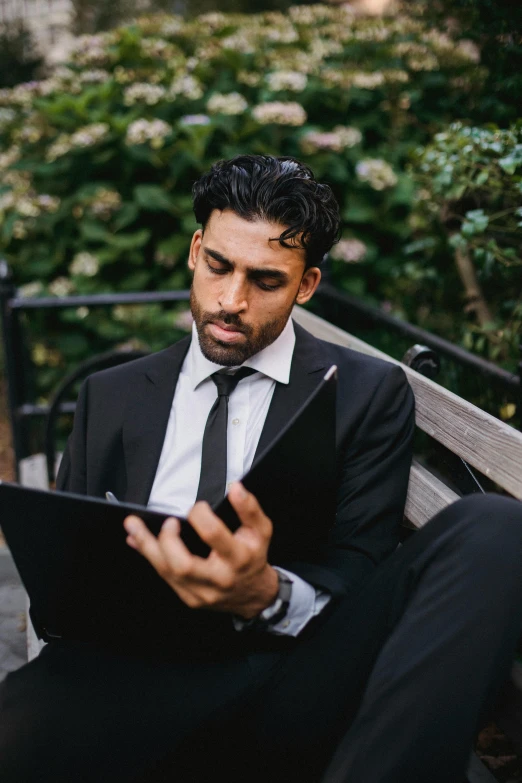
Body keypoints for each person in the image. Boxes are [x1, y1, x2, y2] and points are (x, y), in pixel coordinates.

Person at [1, 154, 522, 783]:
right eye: (219, 266)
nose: (231, 300)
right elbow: (62, 597)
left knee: (494, 525)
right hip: (136, 677)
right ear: (195, 250)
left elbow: (360, 568)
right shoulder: (109, 396)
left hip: (295, 676)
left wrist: (267, 596)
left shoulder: (365, 392)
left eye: (266, 281)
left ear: (306, 286)